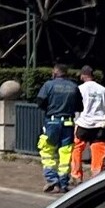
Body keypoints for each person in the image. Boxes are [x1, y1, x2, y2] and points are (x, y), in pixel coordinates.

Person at [35, 62, 82, 191]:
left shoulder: (48, 85)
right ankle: (63, 182)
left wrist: (50, 108)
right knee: (65, 152)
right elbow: (80, 107)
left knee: (47, 150)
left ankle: (52, 179)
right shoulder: (74, 86)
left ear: (55, 73)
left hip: (52, 122)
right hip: (68, 123)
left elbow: (40, 102)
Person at [72, 64, 105, 183]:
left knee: (77, 149)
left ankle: (76, 176)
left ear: (83, 76)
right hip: (99, 126)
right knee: (98, 153)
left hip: (83, 124)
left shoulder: (80, 89)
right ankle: (95, 179)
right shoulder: (103, 90)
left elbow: (75, 106)